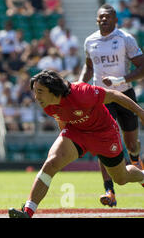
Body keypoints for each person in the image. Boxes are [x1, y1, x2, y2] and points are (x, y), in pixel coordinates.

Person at [9, 70, 144, 218]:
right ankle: (28, 212)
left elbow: (114, 95)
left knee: (121, 178)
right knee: (51, 163)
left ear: (53, 89)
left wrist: (141, 113)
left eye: (40, 91)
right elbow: (61, 118)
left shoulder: (82, 93)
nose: (36, 97)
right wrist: (66, 143)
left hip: (104, 134)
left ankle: (142, 176)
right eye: (34, 92)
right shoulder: (47, 104)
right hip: (76, 132)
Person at [79, 4, 144, 207]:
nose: (103, 20)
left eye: (107, 17)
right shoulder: (90, 41)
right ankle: (109, 191)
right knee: (102, 143)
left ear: (116, 19)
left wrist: (121, 80)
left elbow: (142, 67)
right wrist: (79, 85)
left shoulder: (125, 39)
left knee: (131, 144)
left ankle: (136, 162)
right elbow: (89, 68)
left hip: (124, 94)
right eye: (100, 18)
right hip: (102, 98)